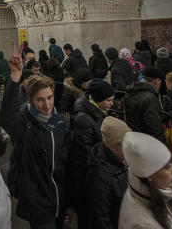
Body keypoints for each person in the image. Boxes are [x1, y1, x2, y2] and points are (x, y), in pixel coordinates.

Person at [0, 42, 72, 228]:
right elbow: (7, 118)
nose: (47, 105)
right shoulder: (25, 123)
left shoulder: (62, 123)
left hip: (59, 200)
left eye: (50, 98)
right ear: (30, 100)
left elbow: (67, 165)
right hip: (38, 202)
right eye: (40, 100)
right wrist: (15, 76)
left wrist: (69, 203)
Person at [119, 132, 172, 229]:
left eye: (171, 163)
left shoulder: (144, 192)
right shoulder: (143, 225)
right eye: (167, 167)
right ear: (149, 175)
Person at [71, 78, 116, 229]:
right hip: (86, 177)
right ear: (97, 99)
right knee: (87, 217)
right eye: (109, 100)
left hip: (92, 171)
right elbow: (85, 154)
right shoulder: (83, 119)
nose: (112, 103)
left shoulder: (96, 110)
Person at [86, 116, 131, 229]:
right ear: (112, 145)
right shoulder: (99, 175)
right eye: (124, 144)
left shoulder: (122, 160)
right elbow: (100, 218)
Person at [124, 67, 165, 143]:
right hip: (147, 143)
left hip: (133, 139)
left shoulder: (130, 92)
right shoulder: (150, 98)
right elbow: (154, 128)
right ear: (156, 81)